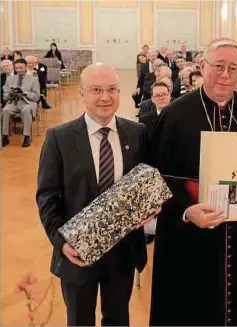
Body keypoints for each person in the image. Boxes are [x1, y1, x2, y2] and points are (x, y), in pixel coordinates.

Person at [149, 38, 237, 326]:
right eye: (219, 66)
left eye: (233, 68)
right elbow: (154, 178)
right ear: (202, 66)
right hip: (189, 233)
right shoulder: (175, 114)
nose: (225, 74)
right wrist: (186, 210)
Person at [36, 63, 157, 326]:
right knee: (79, 320)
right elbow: (47, 197)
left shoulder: (137, 133)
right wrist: (62, 243)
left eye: (112, 89)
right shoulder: (59, 137)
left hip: (123, 251)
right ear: (81, 93)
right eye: (96, 90)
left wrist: (151, 206)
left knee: (118, 319)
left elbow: (146, 183)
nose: (105, 97)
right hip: (77, 254)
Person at [1, 58, 40, 148]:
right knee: (5, 110)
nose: (18, 70)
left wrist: (25, 93)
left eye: (21, 68)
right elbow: (5, 96)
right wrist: (10, 94)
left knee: (26, 110)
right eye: (17, 68)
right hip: (13, 102)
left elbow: (36, 96)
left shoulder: (33, 79)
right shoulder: (10, 79)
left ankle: (27, 136)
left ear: (25, 67)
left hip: (27, 102)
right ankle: (5, 136)